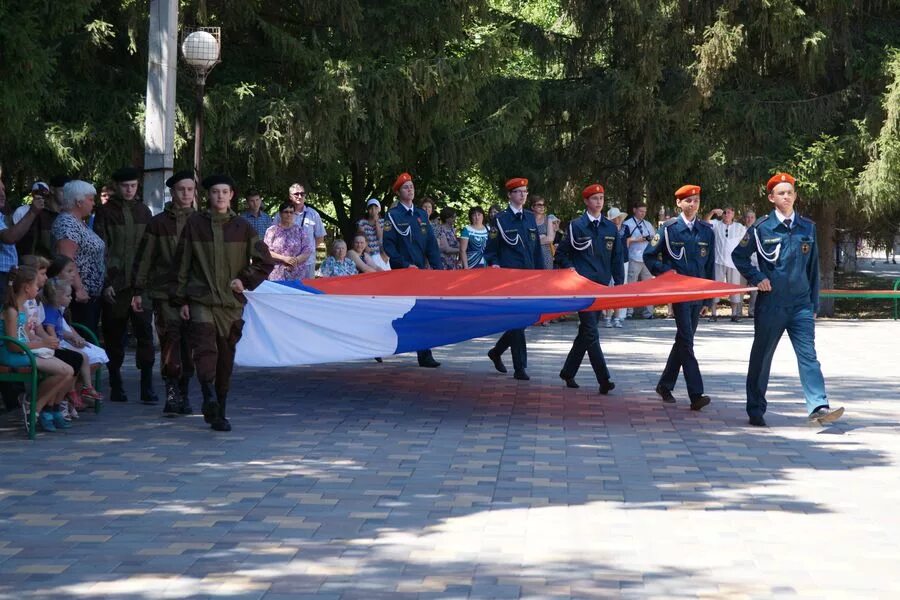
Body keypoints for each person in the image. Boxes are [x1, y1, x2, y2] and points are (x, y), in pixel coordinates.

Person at [732, 173, 844, 427]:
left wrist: (814, 304)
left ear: (795, 196)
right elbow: (738, 256)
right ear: (772, 198)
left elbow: (813, 268)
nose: (786, 196)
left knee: (808, 356)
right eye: (781, 193)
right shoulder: (762, 228)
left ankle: (818, 406)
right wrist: (757, 276)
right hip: (771, 304)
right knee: (762, 357)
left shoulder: (807, 227)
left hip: (801, 305)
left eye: (790, 192)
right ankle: (756, 409)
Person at [175, 174, 275, 432]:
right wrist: (182, 299)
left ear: (232, 195)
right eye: (215, 192)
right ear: (208, 195)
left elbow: (265, 261)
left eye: (225, 192)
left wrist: (245, 280)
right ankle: (208, 396)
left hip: (231, 303)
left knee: (225, 356)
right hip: (201, 298)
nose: (220, 196)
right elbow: (182, 264)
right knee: (205, 349)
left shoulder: (242, 227)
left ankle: (220, 407)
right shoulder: (195, 225)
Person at [131, 170, 198, 417]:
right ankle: (171, 392)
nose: (186, 194)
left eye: (190, 189)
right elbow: (145, 257)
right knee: (170, 341)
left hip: (194, 293)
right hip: (165, 292)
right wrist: (138, 290)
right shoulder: (158, 223)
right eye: (181, 189)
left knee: (190, 344)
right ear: (172, 192)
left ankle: (185, 391)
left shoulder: (201, 221)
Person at [643, 184, 715, 411]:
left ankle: (665, 385)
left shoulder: (706, 231)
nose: (693, 205)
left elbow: (709, 267)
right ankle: (696, 393)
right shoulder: (668, 229)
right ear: (679, 204)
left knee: (683, 341)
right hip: (679, 292)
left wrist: (708, 300)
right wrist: (665, 271)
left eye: (696, 201)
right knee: (687, 340)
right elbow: (649, 256)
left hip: (698, 293)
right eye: (688, 201)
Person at [93, 166, 156, 404]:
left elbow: (150, 249)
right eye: (124, 186)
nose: (129, 190)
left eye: (133, 185)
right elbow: (101, 249)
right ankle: (116, 382)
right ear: (117, 187)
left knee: (145, 335)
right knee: (114, 336)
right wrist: (107, 282)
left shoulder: (144, 212)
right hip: (116, 286)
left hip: (142, 285)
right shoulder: (105, 212)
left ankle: (147, 385)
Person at [555, 184, 624, 393]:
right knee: (592, 332)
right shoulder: (577, 225)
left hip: (601, 286)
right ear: (586, 201)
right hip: (582, 287)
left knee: (586, 332)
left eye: (602, 197)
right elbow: (561, 255)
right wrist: (572, 269)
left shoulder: (610, 227)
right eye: (595, 198)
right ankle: (604, 379)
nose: (599, 201)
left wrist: (619, 285)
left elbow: (617, 258)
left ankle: (568, 372)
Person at [484, 177, 545, 381]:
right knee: (519, 319)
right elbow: (491, 251)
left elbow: (536, 249)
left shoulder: (529, 218)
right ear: (510, 195)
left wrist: (541, 274)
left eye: (525, 191)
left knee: (522, 320)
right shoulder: (500, 220)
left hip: (528, 276)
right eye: (518, 192)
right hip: (510, 278)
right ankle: (520, 367)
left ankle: (496, 351)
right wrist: (494, 265)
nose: (523, 195)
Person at [1, 265, 75, 433]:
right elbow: (12, 344)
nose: (38, 288)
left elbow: (27, 335)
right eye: (36, 285)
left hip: (25, 350)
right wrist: (42, 344)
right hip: (12, 354)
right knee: (63, 372)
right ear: (27, 288)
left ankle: (35, 406)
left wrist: (46, 340)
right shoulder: (11, 311)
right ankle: (34, 408)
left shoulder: (23, 309)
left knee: (68, 370)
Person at [381, 172, 443, 368]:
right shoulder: (393, 215)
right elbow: (389, 245)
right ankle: (380, 345)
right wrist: (405, 264)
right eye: (406, 187)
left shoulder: (421, 214)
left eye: (412, 187)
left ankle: (425, 353)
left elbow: (431, 244)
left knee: (422, 311)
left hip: (420, 272)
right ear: (399, 192)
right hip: (403, 271)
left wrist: (438, 268)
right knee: (398, 312)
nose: (410, 190)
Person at [51, 180, 107, 337]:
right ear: (78, 201)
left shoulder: (79, 222)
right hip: (77, 296)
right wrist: (79, 288)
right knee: (84, 337)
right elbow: (67, 258)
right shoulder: (67, 223)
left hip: (89, 295)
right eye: (90, 199)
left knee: (90, 335)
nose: (93, 203)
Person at [42, 277, 104, 405]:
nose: (71, 298)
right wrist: (56, 343)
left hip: (60, 342)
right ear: (57, 297)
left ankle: (87, 387)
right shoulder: (51, 310)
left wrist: (71, 337)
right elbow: (50, 329)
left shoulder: (58, 310)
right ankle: (70, 393)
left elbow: (61, 330)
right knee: (77, 358)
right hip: (55, 345)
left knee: (84, 357)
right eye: (68, 295)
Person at [704, 206, 747, 322]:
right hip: (718, 261)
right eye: (725, 212)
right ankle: (713, 314)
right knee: (715, 288)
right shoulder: (716, 224)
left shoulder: (739, 227)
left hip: (733, 263)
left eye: (729, 213)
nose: (727, 215)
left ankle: (734, 314)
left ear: (733, 214)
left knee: (734, 288)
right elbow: (705, 221)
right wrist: (712, 211)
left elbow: (746, 239)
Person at [279, 183, 325, 279]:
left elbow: (320, 237)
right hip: (286, 263)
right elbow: (275, 233)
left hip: (307, 262)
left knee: (306, 291)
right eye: (296, 194)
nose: (299, 196)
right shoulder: (281, 214)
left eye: (302, 194)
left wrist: (307, 251)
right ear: (290, 196)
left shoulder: (313, 214)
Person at [621, 202, 656, 319]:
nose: (643, 214)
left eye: (645, 212)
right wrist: (637, 239)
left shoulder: (648, 224)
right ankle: (629, 311)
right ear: (634, 210)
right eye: (641, 211)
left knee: (649, 286)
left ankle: (648, 312)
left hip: (647, 259)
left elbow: (655, 239)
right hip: (633, 258)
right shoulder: (627, 224)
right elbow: (624, 241)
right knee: (631, 285)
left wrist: (651, 240)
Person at [264, 201, 313, 281]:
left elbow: (307, 250)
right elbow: (266, 251)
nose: (289, 214)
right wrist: (284, 258)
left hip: (297, 273)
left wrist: (295, 260)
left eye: (291, 212)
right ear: (280, 214)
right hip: (277, 273)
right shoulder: (272, 231)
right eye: (286, 212)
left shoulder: (300, 231)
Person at [603, 207, 628, 328]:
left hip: (620, 262)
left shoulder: (623, 229)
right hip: (608, 264)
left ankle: (617, 318)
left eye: (618, 218)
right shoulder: (606, 231)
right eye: (615, 219)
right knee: (609, 292)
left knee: (619, 290)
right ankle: (607, 317)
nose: (617, 220)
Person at [356, 198, 391, 270]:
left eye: (375, 208)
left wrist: (376, 222)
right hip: (369, 253)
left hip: (382, 253)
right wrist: (366, 247)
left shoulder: (384, 222)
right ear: (368, 210)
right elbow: (361, 237)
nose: (373, 210)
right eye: (371, 208)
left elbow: (381, 236)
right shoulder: (362, 223)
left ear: (379, 209)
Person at [531, 195, 558, 270]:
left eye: (543, 205)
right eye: (539, 205)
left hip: (546, 255)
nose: (542, 207)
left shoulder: (548, 219)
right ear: (532, 207)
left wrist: (534, 240)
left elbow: (550, 239)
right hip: (532, 255)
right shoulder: (529, 220)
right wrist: (542, 238)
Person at [743, 210, 758, 317]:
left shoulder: (758, 230)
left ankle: (752, 312)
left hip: (755, 264)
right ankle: (737, 313)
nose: (750, 219)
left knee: (755, 290)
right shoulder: (739, 230)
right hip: (742, 264)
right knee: (740, 288)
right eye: (748, 217)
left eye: (752, 217)